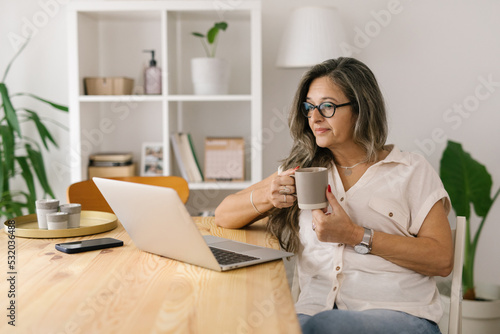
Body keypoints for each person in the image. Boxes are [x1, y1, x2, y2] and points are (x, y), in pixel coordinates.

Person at [214, 57, 453, 334]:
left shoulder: (410, 170)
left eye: (327, 106)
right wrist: (268, 195)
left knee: (322, 326)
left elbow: (442, 259)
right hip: (314, 313)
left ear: (361, 109)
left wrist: (354, 235)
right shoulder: (302, 171)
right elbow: (224, 214)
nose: (314, 118)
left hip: (400, 316)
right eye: (309, 107)